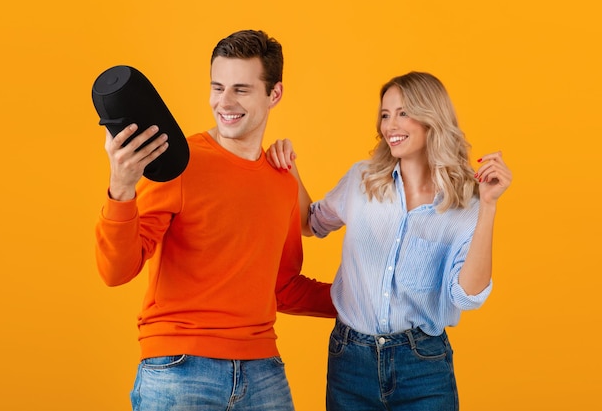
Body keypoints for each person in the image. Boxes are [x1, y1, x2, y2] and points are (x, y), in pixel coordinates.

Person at [95, 29, 336, 411]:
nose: (224, 102)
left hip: (263, 373)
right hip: (179, 369)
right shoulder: (177, 162)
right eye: (217, 87)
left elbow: (283, 286)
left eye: (241, 89)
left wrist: (367, 303)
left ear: (274, 94)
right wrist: (121, 189)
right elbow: (115, 270)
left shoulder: (282, 178)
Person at [266, 71, 512, 411]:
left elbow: (467, 296)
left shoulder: (465, 204)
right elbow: (311, 223)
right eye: (385, 114)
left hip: (422, 365)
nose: (390, 125)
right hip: (350, 360)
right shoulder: (362, 179)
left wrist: (488, 205)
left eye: (403, 113)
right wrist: (287, 164)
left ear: (431, 118)